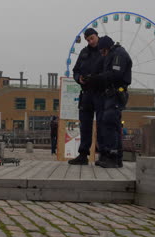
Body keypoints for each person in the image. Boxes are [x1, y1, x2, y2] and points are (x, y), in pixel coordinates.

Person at [92, 36, 132, 168]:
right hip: (111, 94)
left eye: (103, 52)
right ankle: (113, 156)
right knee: (109, 124)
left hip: (116, 94)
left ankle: (114, 156)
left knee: (110, 123)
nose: (102, 55)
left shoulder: (119, 55)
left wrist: (97, 77)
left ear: (107, 48)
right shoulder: (113, 54)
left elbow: (116, 74)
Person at [68, 28, 105, 165]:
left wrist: (96, 78)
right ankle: (83, 154)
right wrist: (79, 79)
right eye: (88, 40)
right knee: (85, 125)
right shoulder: (84, 52)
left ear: (97, 36)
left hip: (100, 92)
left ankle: (104, 154)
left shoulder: (105, 50)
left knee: (102, 124)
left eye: (92, 38)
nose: (90, 41)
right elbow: (75, 70)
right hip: (86, 93)